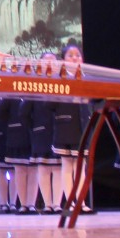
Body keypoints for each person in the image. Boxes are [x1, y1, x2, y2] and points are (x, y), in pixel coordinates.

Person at [50, 43, 89, 213]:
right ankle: (70, 202)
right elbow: (50, 105)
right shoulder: (59, 78)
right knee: (67, 165)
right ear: (63, 60)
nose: (75, 58)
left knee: (81, 167)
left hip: (83, 127)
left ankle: (81, 201)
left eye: (78, 55)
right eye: (70, 55)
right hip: (65, 127)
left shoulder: (87, 78)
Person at [26, 53, 63, 214]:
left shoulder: (63, 83)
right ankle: (48, 204)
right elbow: (24, 112)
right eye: (45, 61)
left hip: (60, 132)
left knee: (58, 168)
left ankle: (57, 204)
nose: (49, 64)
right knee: (43, 169)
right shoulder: (34, 85)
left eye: (52, 61)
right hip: (40, 133)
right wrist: (34, 127)